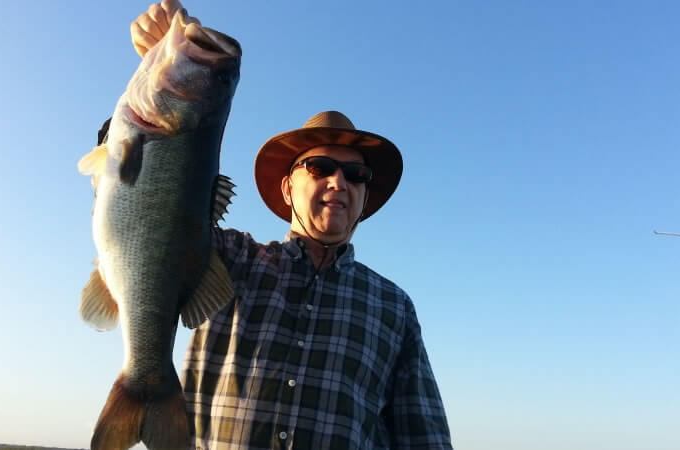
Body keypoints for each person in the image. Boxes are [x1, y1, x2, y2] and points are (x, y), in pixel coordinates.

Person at [129, 2, 452, 448]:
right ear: (287, 188)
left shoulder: (395, 309)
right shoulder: (228, 257)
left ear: (364, 198)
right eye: (320, 167)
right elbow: (149, 212)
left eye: (356, 175)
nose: (339, 182)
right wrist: (160, 71)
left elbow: (424, 438)